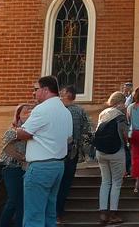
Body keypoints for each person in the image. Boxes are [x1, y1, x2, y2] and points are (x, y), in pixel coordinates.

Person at [18, 75, 74, 227]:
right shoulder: (65, 111)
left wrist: (18, 128)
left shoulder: (41, 109)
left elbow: (24, 134)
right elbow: (69, 138)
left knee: (33, 215)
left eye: (35, 89)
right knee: (49, 213)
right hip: (58, 166)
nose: (33, 93)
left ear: (45, 90)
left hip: (40, 167)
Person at [95, 92, 129, 225]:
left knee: (105, 181)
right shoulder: (120, 116)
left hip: (100, 151)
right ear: (120, 102)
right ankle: (113, 213)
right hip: (116, 151)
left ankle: (103, 213)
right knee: (116, 182)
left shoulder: (103, 113)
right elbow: (125, 134)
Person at [0, 105, 33, 227]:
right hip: (12, 169)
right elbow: (6, 149)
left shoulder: (32, 131)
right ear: (18, 115)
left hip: (27, 170)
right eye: (26, 111)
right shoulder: (12, 131)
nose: (29, 113)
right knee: (13, 200)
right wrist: (23, 158)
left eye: (31, 111)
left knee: (22, 202)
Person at [59, 86, 90, 217]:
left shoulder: (58, 110)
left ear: (68, 94)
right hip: (72, 150)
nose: (60, 93)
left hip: (62, 150)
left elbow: (85, 130)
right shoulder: (80, 110)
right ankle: (58, 211)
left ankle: (57, 211)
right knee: (65, 181)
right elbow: (86, 130)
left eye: (63, 92)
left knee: (62, 181)